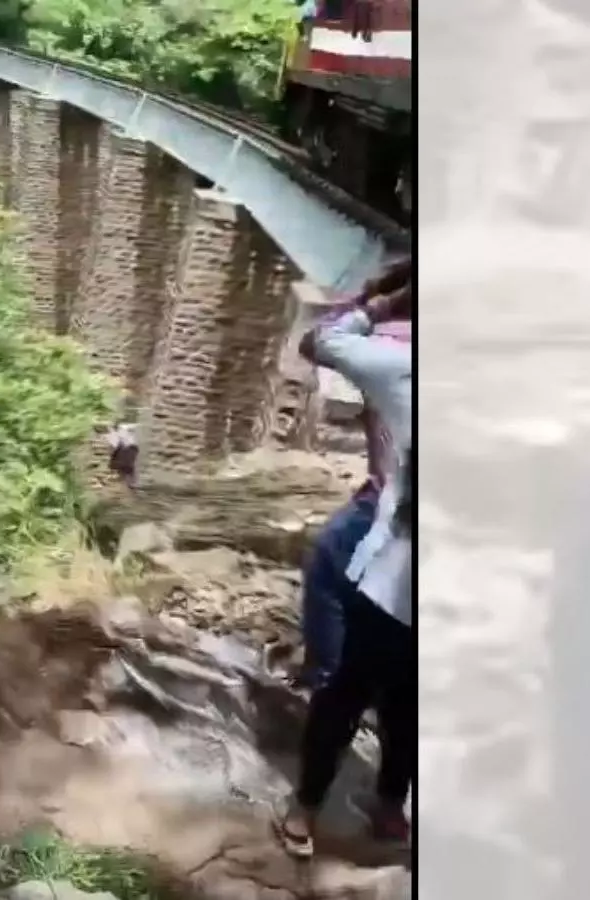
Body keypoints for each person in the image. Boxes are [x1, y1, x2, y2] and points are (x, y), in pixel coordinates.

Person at [277, 277, 414, 858]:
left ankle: (321, 809)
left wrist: (382, 299)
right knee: (384, 700)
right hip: (416, 591)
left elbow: (320, 341)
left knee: (364, 699)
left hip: (399, 585)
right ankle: (362, 808)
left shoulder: (404, 370)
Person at [295, 256, 413, 690]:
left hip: (393, 503)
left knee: (330, 564)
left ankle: (329, 682)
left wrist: (375, 299)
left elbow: (316, 341)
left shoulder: (391, 348)